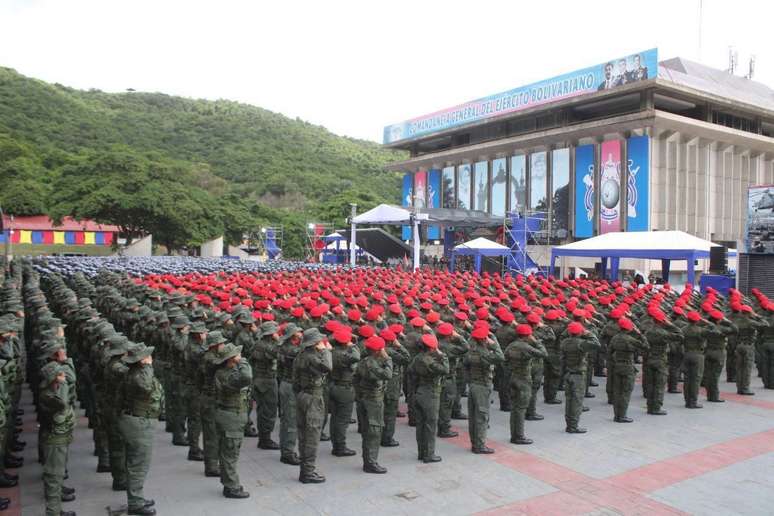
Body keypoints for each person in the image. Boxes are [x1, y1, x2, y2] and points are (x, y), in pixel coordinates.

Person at [118, 344, 161, 515]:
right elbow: (146, 387)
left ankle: (137, 497)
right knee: (138, 465)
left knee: (135, 463)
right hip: (139, 423)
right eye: (147, 357)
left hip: (135, 420)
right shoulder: (139, 376)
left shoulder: (134, 373)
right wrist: (148, 366)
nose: (150, 358)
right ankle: (135, 503)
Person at [293, 328, 332, 483]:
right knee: (312, 436)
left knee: (303, 434)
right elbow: (328, 367)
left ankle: (305, 469)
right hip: (313, 397)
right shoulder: (314, 357)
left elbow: (294, 380)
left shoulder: (300, 355)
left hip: (302, 395)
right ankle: (308, 472)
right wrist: (325, 351)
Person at [214, 342, 252, 499]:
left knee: (229, 451)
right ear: (231, 359)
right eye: (237, 355)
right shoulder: (228, 375)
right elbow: (247, 377)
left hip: (232, 415)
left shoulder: (226, 371)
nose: (240, 356)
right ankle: (231, 487)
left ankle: (228, 482)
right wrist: (242, 361)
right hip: (231, 416)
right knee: (230, 453)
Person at [38, 362, 76, 516]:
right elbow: (63, 404)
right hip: (54, 440)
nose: (64, 377)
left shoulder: (53, 390)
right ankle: (53, 512)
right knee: (53, 478)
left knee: (57, 476)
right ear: (53, 378)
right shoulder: (48, 395)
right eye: (60, 375)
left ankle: (57, 510)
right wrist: (64, 385)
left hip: (59, 439)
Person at [355, 335, 393, 473]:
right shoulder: (373, 364)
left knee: (367, 430)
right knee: (375, 431)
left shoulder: (364, 361)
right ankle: (371, 462)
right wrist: (388, 359)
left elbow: (355, 380)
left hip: (364, 398)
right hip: (373, 400)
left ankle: (368, 459)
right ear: (378, 351)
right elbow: (388, 375)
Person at [464, 325, 504, 454]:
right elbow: (500, 357)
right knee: (481, 417)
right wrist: (494, 344)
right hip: (482, 386)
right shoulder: (485, 353)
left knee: (473, 416)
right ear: (483, 340)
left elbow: (465, 367)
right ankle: (479, 446)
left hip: (473, 385)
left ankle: (474, 443)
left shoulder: (470, 351)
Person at [409, 333, 449, 463]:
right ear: (432, 348)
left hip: (419, 392)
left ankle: (421, 452)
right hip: (430, 395)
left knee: (420, 425)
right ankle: (429, 454)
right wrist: (442, 355)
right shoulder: (431, 361)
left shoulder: (417, 358)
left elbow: (410, 373)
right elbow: (445, 369)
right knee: (430, 425)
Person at [505, 324, 546, 444]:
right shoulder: (526, 347)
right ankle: (518, 436)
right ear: (528, 335)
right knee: (520, 409)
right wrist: (537, 342)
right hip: (523, 380)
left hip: (513, 377)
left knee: (515, 408)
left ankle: (515, 434)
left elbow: (505, 361)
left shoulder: (511, 346)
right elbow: (544, 354)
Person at [561, 322, 599, 433]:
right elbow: (596, 344)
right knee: (577, 402)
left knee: (569, 401)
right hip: (578, 375)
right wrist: (588, 334)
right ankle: (573, 427)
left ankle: (569, 424)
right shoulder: (581, 343)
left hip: (568, 373)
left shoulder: (564, 342)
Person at [608, 318, 648, 423]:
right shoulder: (630, 339)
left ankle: (616, 415)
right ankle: (622, 416)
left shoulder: (614, 338)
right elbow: (646, 346)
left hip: (617, 366)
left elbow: (609, 351)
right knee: (625, 392)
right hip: (627, 367)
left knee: (617, 391)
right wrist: (640, 334)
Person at [328, 327, 360, 457]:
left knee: (335, 418)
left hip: (333, 385)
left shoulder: (331, 352)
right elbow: (357, 357)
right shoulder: (344, 355)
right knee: (342, 420)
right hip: (344, 388)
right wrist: (353, 345)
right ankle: (340, 447)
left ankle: (335, 444)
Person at [250, 321, 281, 450]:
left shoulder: (260, 343)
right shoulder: (266, 346)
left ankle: (264, 438)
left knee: (264, 409)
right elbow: (277, 352)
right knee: (268, 410)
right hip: (266, 381)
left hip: (261, 378)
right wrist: (279, 340)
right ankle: (265, 439)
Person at [277, 323, 303, 465]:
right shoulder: (292, 350)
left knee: (286, 419)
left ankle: (286, 449)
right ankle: (287, 452)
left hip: (286, 383)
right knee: (290, 420)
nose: (301, 333)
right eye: (299, 331)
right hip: (290, 386)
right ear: (293, 335)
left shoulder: (284, 347)